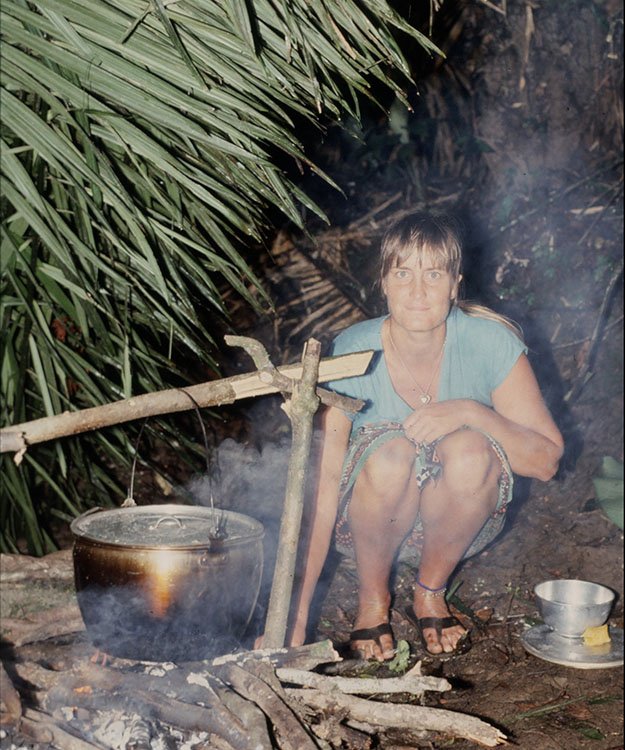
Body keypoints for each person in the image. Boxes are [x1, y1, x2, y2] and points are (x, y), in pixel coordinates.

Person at [284, 211, 564, 661]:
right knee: (392, 453)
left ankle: (430, 591)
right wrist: (294, 619)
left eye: (433, 274)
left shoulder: (490, 343)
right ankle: (372, 599)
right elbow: (322, 485)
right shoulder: (351, 351)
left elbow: (546, 462)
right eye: (403, 274)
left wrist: (470, 412)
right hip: (367, 524)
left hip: (457, 523)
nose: (418, 291)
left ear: (455, 284)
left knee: (471, 448)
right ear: (384, 282)